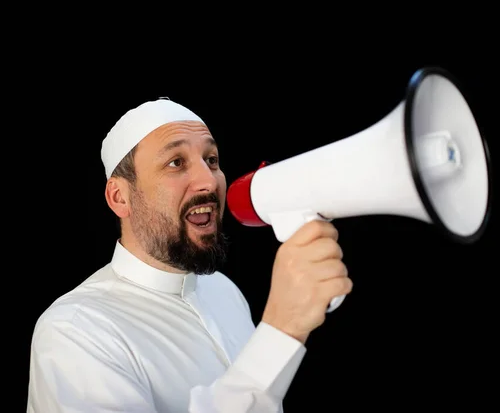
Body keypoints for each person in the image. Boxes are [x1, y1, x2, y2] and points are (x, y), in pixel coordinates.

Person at [27, 98, 353, 412]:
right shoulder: (75, 332)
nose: (208, 181)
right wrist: (282, 329)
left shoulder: (224, 291)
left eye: (211, 160)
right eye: (176, 163)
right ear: (119, 197)